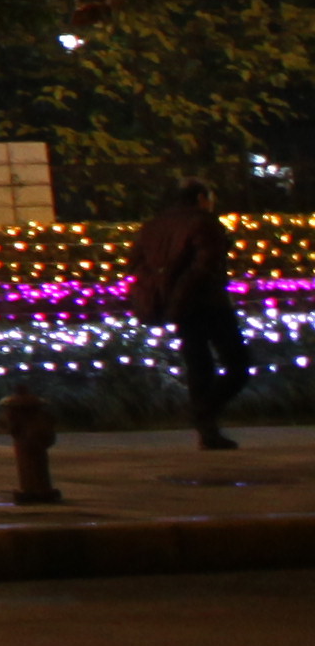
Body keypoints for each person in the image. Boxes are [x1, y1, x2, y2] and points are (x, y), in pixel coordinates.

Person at [135, 178, 248, 452]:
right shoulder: (204, 222)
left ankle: (207, 431)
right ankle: (204, 412)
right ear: (201, 198)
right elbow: (204, 265)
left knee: (199, 364)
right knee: (238, 364)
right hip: (208, 302)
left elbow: (137, 265)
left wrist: (166, 295)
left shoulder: (154, 226)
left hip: (177, 306)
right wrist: (183, 293)